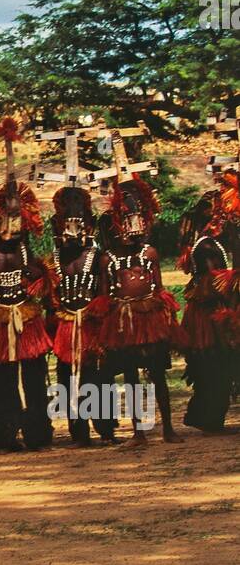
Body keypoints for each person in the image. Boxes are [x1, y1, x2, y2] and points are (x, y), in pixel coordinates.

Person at [0, 120, 53, 452]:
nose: (13, 226)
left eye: (18, 219)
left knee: (34, 378)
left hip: (27, 322)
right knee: (2, 383)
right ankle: (4, 435)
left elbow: (41, 282)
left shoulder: (25, 252)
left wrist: (37, 274)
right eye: (8, 218)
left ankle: (37, 433)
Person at [91, 177, 182, 444]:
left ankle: (168, 428)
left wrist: (166, 316)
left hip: (149, 317)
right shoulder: (108, 258)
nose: (131, 230)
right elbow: (105, 294)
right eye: (125, 224)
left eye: (135, 222)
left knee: (158, 373)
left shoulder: (149, 253)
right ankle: (138, 430)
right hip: (123, 321)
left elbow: (160, 288)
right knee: (130, 376)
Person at [48, 185, 112, 445]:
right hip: (65, 328)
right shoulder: (53, 259)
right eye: (67, 223)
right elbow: (49, 295)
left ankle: (105, 429)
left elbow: (105, 294)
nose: (73, 230)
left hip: (92, 327)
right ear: (57, 225)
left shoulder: (98, 257)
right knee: (68, 377)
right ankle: (79, 430)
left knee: (98, 377)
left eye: (80, 223)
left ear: (90, 225)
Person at [177, 179, 238, 434]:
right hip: (208, 314)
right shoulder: (208, 246)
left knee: (220, 364)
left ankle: (210, 416)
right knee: (214, 364)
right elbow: (217, 282)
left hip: (215, 310)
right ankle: (208, 417)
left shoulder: (219, 243)